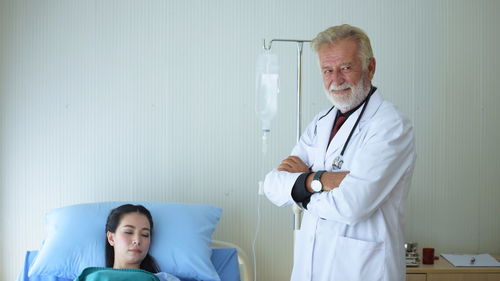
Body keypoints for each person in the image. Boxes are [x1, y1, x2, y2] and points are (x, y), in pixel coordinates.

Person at [263, 24, 416, 281]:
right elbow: (272, 185)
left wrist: (300, 187)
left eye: (345, 67)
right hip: (309, 269)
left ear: (370, 67)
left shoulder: (391, 126)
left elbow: (351, 206)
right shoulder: (320, 123)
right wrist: (321, 180)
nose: (336, 79)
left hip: (363, 269)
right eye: (327, 70)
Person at [76, 204, 180, 281]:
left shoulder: (165, 279)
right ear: (111, 238)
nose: (137, 240)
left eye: (144, 234)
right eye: (128, 232)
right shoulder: (89, 278)